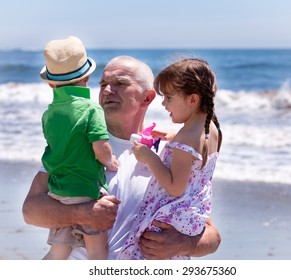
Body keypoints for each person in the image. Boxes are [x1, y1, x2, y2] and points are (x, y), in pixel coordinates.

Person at [22, 55, 221, 260]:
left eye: (120, 83)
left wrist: (182, 243)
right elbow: (30, 210)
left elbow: (211, 235)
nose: (107, 90)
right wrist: (84, 213)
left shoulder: (171, 150)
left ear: (148, 97)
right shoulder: (77, 143)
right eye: (103, 84)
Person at [119, 58, 222, 259]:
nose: (164, 104)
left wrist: (149, 157)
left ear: (193, 99)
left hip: (170, 213)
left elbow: (175, 187)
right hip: (192, 214)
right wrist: (170, 137)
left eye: (168, 97)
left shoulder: (185, 138)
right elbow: (194, 150)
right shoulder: (211, 129)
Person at [39, 36, 118, 260]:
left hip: (57, 191)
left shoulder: (49, 114)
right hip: (85, 192)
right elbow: (101, 148)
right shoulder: (92, 109)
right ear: (87, 77)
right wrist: (110, 162)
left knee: (59, 250)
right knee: (97, 252)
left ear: (51, 84)